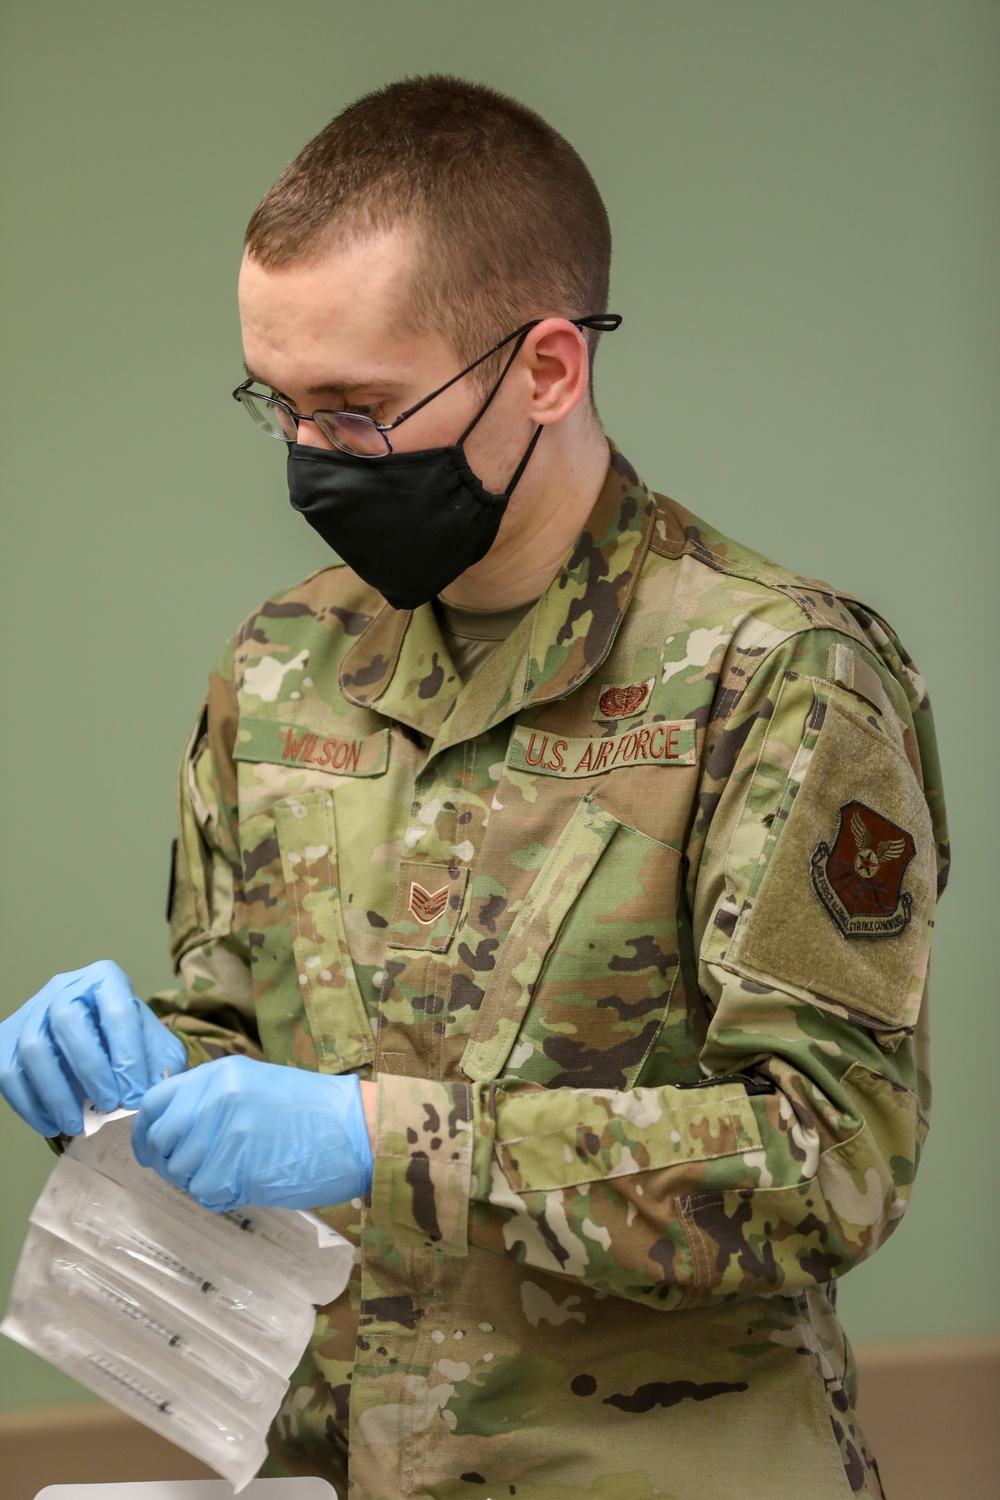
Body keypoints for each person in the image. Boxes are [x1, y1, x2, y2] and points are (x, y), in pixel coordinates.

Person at [0, 76, 947, 1500]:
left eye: (361, 409)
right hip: (324, 1466)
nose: (314, 456)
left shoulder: (779, 672)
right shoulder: (281, 667)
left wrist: (379, 1138)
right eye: (281, 402)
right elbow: (246, 1042)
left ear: (548, 369)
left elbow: (829, 1159)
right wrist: (142, 1086)